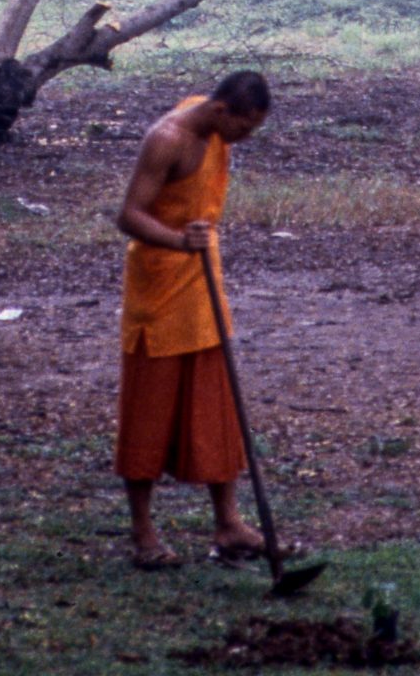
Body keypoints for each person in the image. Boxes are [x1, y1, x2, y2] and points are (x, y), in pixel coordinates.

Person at [114, 69, 271, 569]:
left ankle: (228, 525)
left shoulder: (213, 122)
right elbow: (129, 215)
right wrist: (181, 241)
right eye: (243, 130)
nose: (242, 141)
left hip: (203, 286)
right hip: (160, 288)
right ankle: (143, 535)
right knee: (149, 414)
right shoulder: (167, 139)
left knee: (214, 407)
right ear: (221, 110)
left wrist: (195, 245)